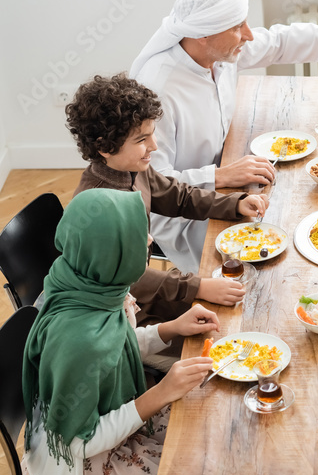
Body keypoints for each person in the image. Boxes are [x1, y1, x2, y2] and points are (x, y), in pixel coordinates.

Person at [20, 190, 216, 475]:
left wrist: (169, 329)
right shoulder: (77, 341)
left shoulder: (89, 283)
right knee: (198, 472)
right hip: (82, 467)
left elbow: (119, 344)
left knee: (209, 420)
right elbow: (81, 442)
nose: (149, 243)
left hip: (109, 421)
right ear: (113, 254)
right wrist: (161, 393)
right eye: (139, 236)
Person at [129, 0, 318, 272]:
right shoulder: (159, 88)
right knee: (276, 244)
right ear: (203, 34)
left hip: (224, 175)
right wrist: (220, 176)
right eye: (238, 27)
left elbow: (277, 42)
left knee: (298, 209)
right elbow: (148, 183)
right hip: (182, 214)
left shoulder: (218, 52)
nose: (248, 34)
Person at [66, 74, 268, 328]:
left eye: (152, 134)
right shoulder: (99, 211)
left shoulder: (132, 168)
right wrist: (198, 287)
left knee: (244, 304)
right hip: (116, 321)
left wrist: (233, 203)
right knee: (221, 333)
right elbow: (129, 281)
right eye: (142, 140)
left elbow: (177, 196)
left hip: (146, 296)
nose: (154, 145)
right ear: (104, 146)